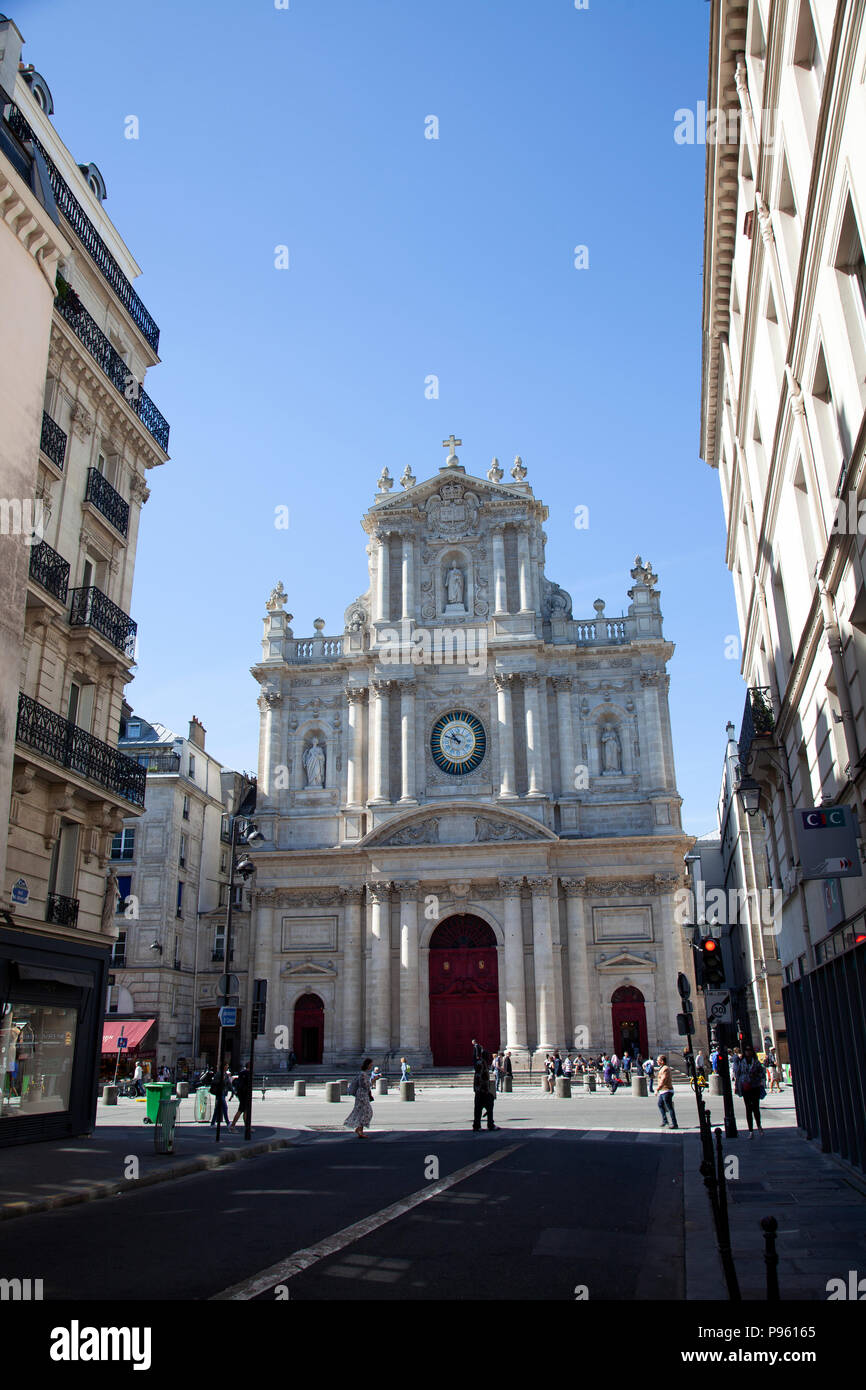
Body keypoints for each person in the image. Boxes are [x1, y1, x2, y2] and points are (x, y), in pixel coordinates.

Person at [735, 1044, 766, 1136]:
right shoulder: (741, 1062)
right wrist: (737, 1085)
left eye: (749, 1050)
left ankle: (759, 1126)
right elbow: (738, 1074)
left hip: (754, 1086)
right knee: (748, 1108)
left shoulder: (756, 1062)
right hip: (745, 1086)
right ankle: (750, 1130)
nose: (748, 1052)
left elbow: (762, 1073)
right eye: (746, 1050)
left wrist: (756, 1076)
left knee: (756, 1108)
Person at [344, 1058, 375, 1138]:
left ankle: (359, 1129)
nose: (371, 1066)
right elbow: (364, 1085)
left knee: (364, 1112)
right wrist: (372, 1082)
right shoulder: (363, 1074)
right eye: (371, 1065)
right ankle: (359, 1129)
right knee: (366, 1112)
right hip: (362, 1095)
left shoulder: (364, 1074)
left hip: (363, 1095)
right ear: (367, 1065)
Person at [472, 1050, 497, 1131]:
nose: (489, 1058)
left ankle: (481, 1125)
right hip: (482, 1090)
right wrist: (479, 1090)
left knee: (484, 1107)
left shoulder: (483, 1063)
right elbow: (478, 1076)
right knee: (483, 1107)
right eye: (487, 1056)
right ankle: (486, 1125)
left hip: (483, 1089)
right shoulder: (481, 1063)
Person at [656, 1055, 678, 1129]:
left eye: (658, 1060)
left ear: (662, 1061)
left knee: (669, 1107)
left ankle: (674, 1123)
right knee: (660, 1104)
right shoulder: (662, 1068)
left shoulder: (665, 1069)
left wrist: (657, 1089)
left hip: (667, 1090)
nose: (657, 1061)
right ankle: (665, 1120)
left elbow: (663, 1080)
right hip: (663, 1091)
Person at [229, 1064, 252, 1131]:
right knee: (241, 1110)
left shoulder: (242, 1073)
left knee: (245, 1110)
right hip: (245, 1094)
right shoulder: (247, 1073)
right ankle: (232, 1126)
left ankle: (247, 1127)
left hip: (241, 1094)